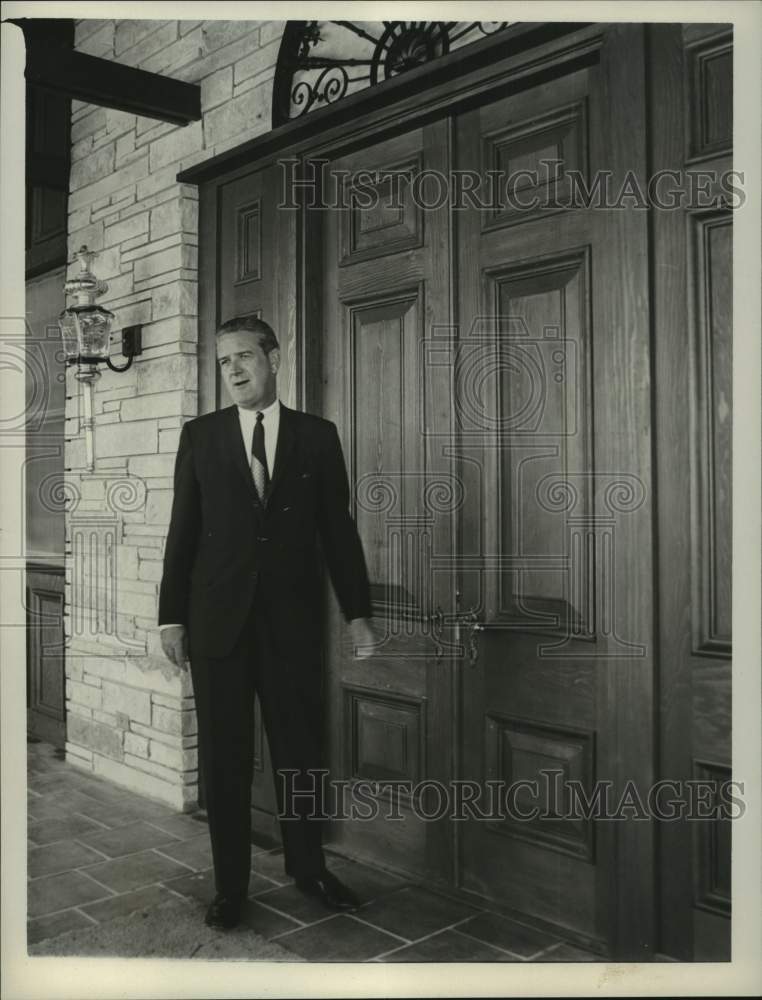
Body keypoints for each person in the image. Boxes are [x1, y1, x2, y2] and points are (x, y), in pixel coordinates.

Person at [158, 314, 375, 930]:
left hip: (292, 627)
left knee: (299, 752)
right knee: (225, 759)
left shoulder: (317, 435)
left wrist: (358, 613)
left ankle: (309, 868)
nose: (234, 370)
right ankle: (230, 887)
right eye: (224, 362)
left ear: (274, 359)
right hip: (216, 625)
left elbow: (337, 531)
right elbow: (183, 534)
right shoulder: (200, 436)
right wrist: (171, 617)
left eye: (244, 357)